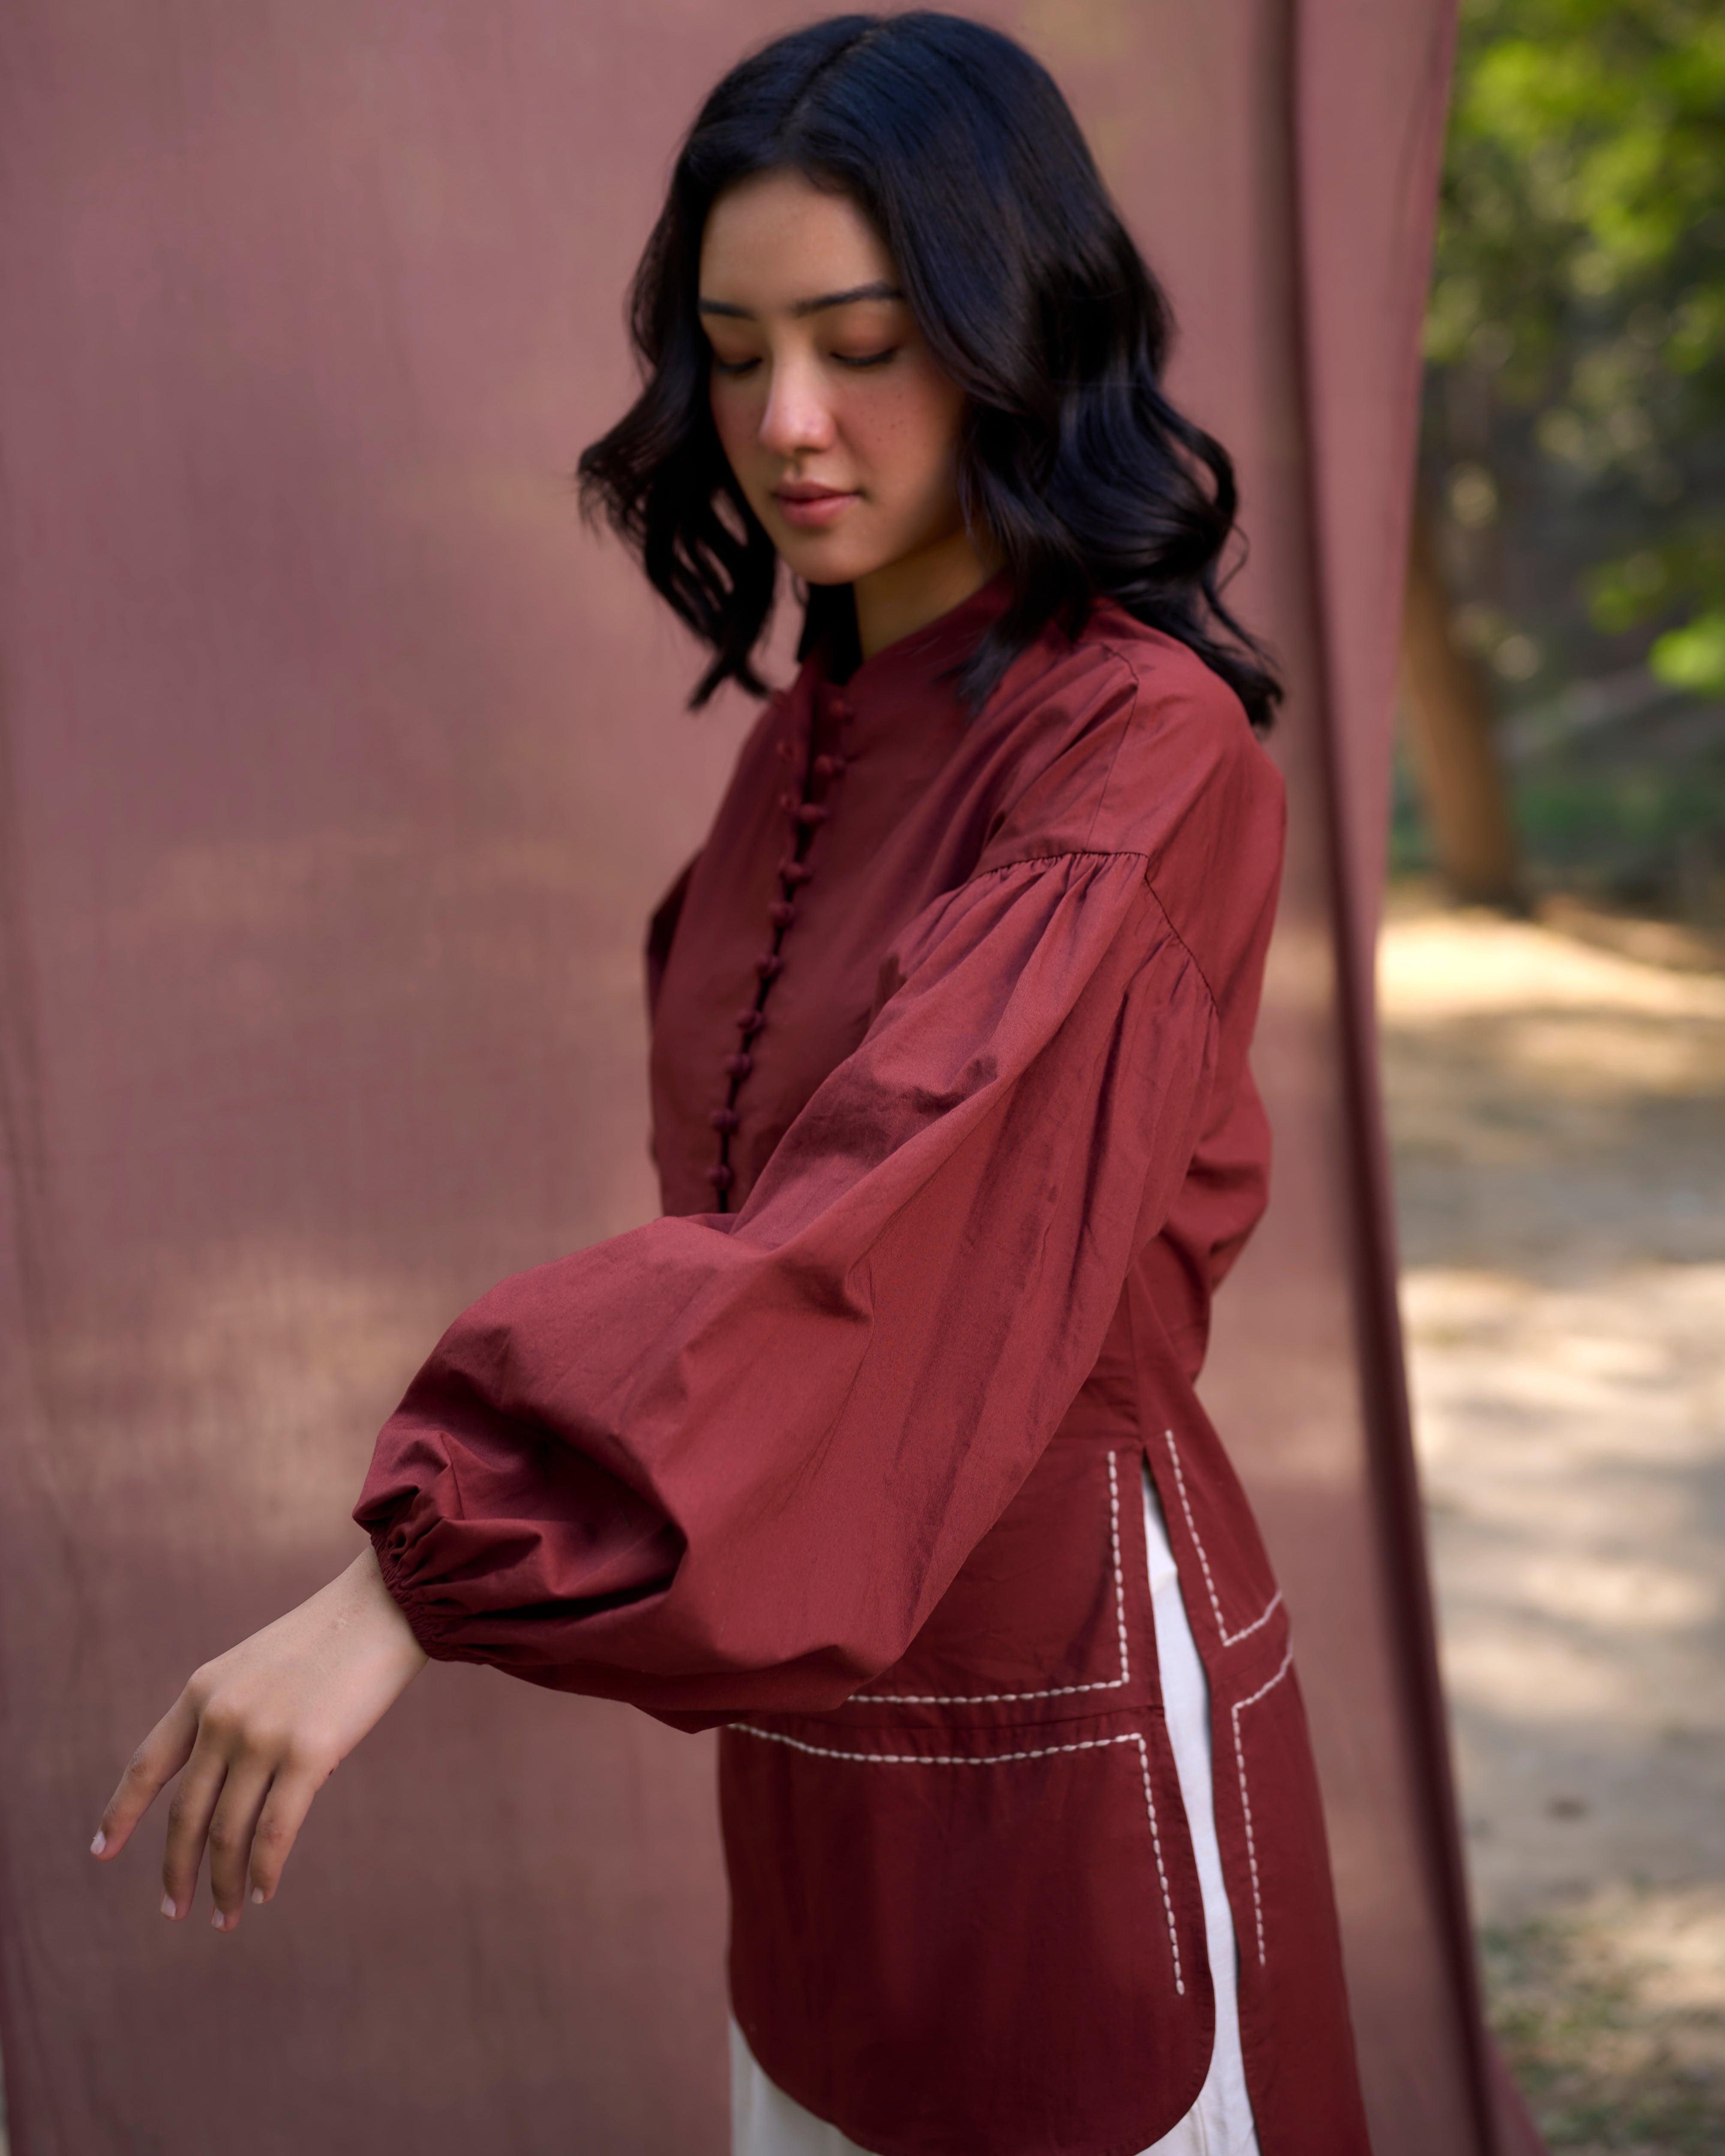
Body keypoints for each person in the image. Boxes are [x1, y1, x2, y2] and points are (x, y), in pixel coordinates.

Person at [93, 15, 1373, 2154]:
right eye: (735, 345)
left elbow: (870, 1224)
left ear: (1008, 333)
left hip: (1056, 1713)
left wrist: (411, 1576)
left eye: (863, 343)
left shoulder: (1140, 756)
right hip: (805, 1695)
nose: (787, 422)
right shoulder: (797, 744)